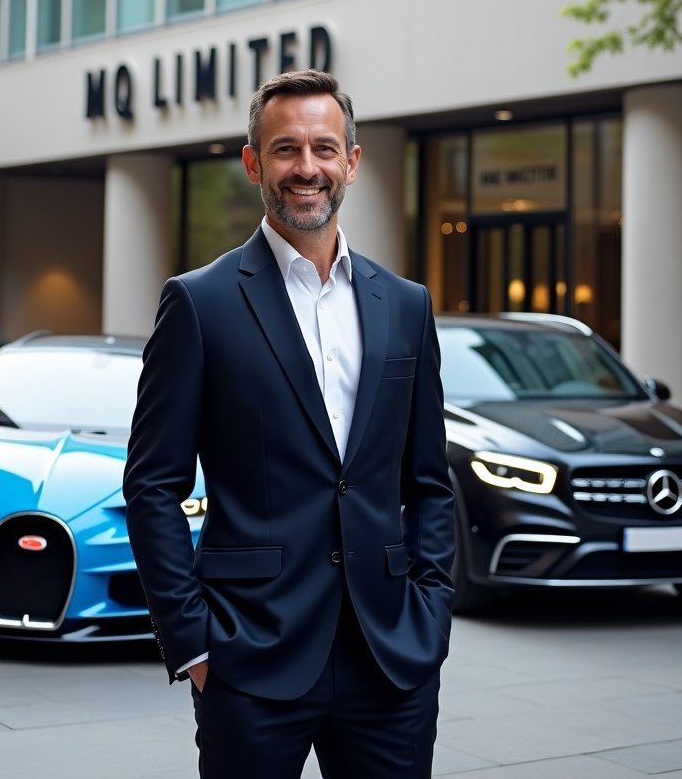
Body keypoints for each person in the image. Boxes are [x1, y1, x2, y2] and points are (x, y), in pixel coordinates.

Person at [124, 69, 455, 779]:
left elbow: (430, 481)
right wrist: (194, 645)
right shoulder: (199, 304)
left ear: (353, 163)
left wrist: (430, 612)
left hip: (390, 658)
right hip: (250, 659)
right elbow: (153, 485)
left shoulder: (405, 305)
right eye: (286, 149)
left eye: (325, 149)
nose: (307, 168)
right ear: (253, 163)